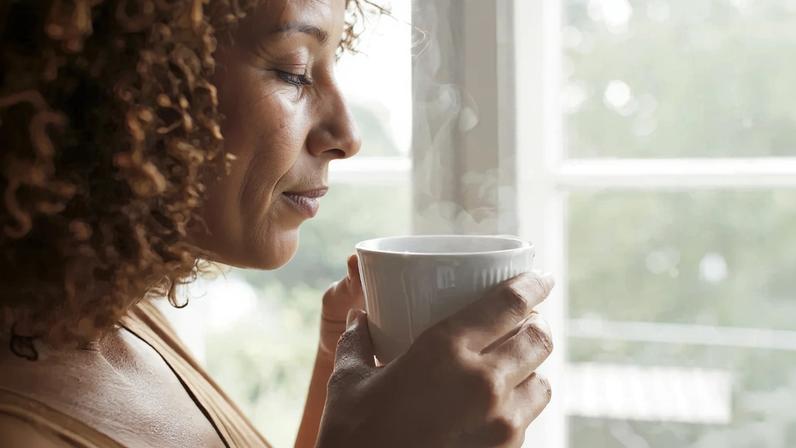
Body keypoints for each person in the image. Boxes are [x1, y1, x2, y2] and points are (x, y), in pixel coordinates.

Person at [0, 0, 555, 446]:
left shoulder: (119, 321)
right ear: (128, 81)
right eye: (294, 71)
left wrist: (337, 370)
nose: (348, 134)